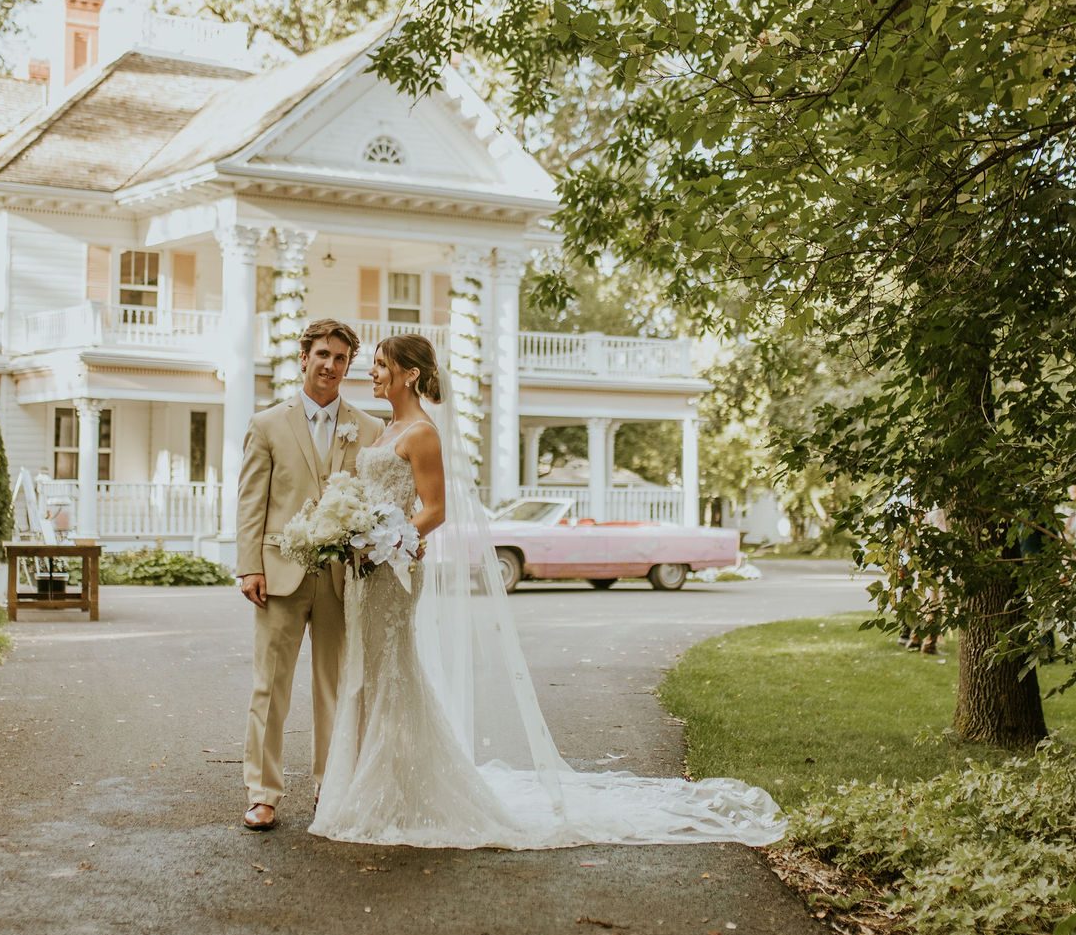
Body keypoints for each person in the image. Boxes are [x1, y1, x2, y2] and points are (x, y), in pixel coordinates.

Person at [306, 333, 784, 848]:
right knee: (369, 672)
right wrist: (355, 533)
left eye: (380, 365)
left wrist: (388, 542)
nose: (372, 373)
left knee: (392, 671)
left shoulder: (421, 432)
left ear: (411, 374)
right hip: (367, 573)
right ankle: (372, 782)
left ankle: (397, 791)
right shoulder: (383, 430)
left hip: (392, 572)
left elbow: (434, 509)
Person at [235, 318, 381, 833]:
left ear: (348, 366)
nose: (330, 365)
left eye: (341, 358)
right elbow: (252, 500)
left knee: (335, 687)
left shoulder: (369, 429)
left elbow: (373, 502)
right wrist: (249, 564)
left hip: (343, 578)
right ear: (304, 357)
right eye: (322, 354)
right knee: (269, 686)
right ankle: (263, 792)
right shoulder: (268, 423)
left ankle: (330, 785)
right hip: (279, 572)